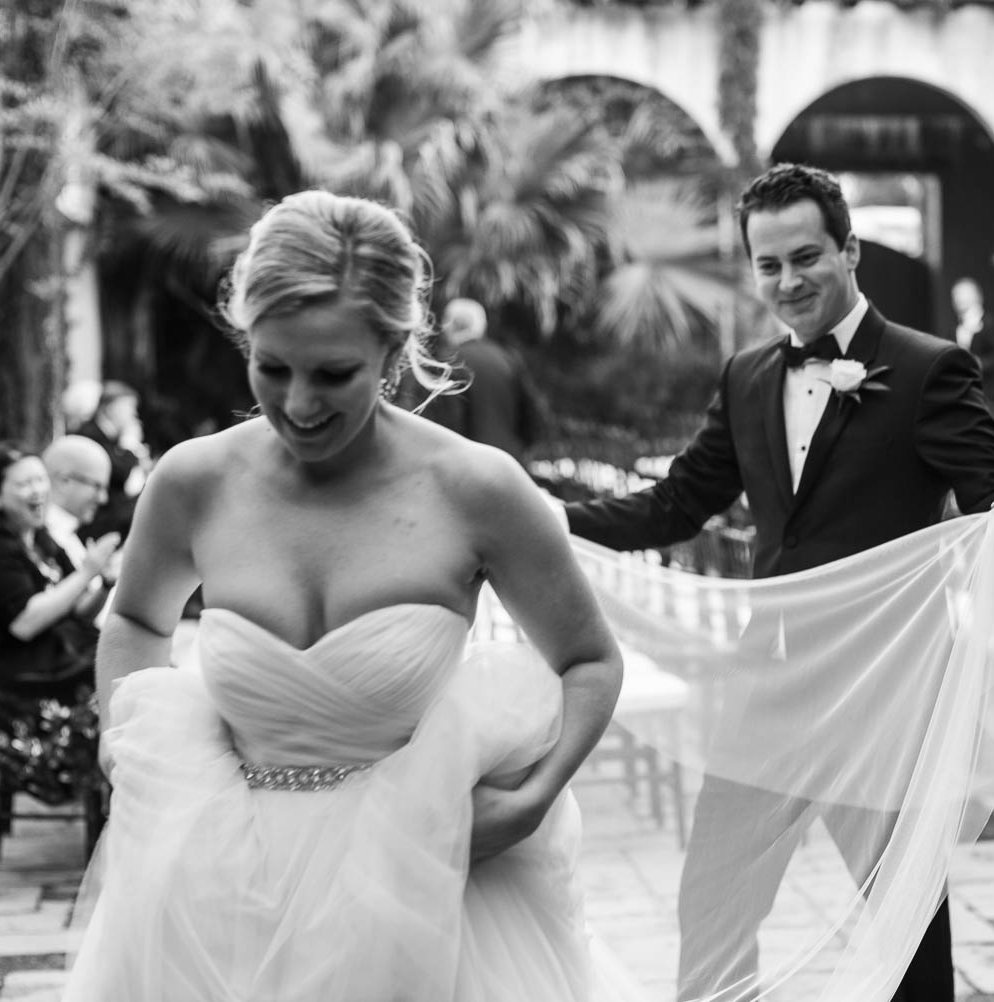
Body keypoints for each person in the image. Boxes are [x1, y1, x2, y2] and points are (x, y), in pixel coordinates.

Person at [61, 190, 623, 1001]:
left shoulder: (476, 488)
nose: (297, 404)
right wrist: (130, 747)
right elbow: (138, 620)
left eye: (333, 374)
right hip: (220, 879)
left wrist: (534, 797)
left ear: (394, 350)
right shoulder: (193, 480)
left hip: (423, 883)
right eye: (271, 366)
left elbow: (589, 660)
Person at [561, 163, 994, 1002]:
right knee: (713, 900)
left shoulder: (930, 369)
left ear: (849, 250)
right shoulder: (747, 376)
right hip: (771, 690)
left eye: (806, 257)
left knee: (904, 919)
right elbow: (678, 504)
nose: (788, 281)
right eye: (769, 264)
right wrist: (546, 522)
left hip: (884, 694)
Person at [0, 443, 120, 804]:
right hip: (13, 681)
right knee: (122, 683)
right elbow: (25, 622)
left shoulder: (41, 540)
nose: (38, 490)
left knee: (131, 666)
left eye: (41, 480)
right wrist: (87, 570)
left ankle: (126, 796)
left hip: (53, 663)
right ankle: (121, 797)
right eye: (25, 484)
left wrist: (103, 582)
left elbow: (77, 613)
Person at [425, 297, 549, 460]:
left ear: (452, 325)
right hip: (509, 465)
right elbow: (535, 417)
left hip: (469, 467)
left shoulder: (448, 364)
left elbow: (446, 425)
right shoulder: (508, 359)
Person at [41, 435, 121, 617]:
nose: (103, 499)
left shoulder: (70, 536)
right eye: (97, 486)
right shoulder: (43, 537)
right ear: (64, 480)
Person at [75, 381, 150, 540]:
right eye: (128, 407)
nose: (133, 414)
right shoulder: (90, 434)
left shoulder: (111, 438)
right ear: (109, 408)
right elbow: (118, 473)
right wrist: (129, 444)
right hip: (95, 520)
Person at [950, 276, 994, 404]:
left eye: (961, 294)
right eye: (955, 295)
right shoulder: (954, 328)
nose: (957, 299)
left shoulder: (989, 324)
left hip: (984, 394)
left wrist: (977, 363)